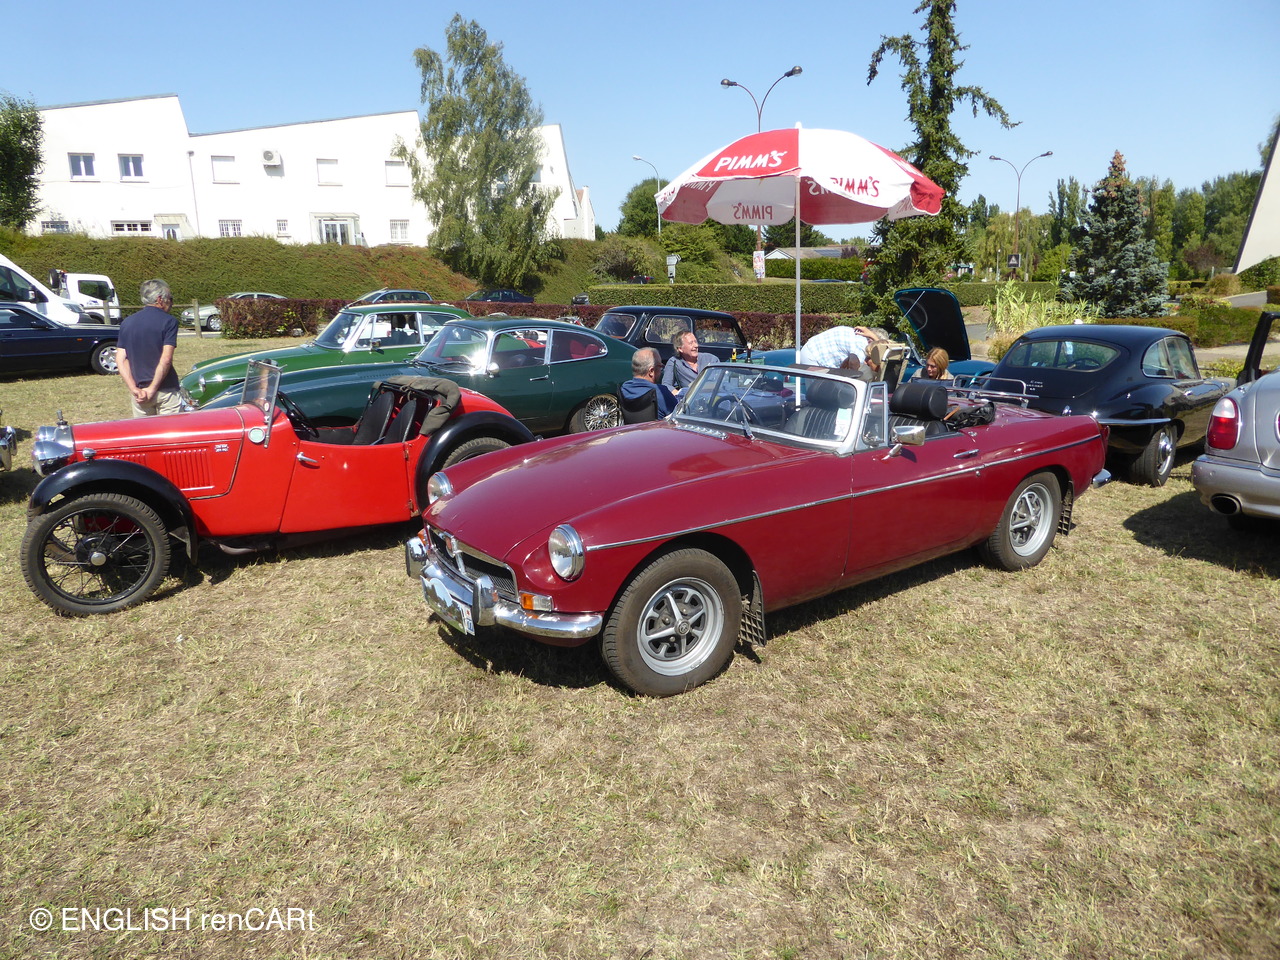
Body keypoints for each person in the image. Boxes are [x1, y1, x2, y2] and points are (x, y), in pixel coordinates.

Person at [117, 278, 182, 417]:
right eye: (170, 299)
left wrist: (133, 388)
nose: (171, 303)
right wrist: (152, 388)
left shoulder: (127, 323)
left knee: (145, 431)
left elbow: (121, 359)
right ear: (160, 299)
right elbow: (166, 359)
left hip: (139, 392)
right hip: (166, 390)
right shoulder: (169, 321)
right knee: (171, 430)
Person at [621, 348, 678, 419]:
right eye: (660, 367)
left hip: (633, 426)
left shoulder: (624, 388)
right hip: (657, 426)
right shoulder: (661, 392)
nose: (661, 370)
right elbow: (679, 416)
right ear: (651, 371)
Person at [796, 324, 884, 369]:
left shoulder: (861, 337)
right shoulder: (861, 344)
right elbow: (856, 368)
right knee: (820, 392)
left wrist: (872, 335)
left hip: (811, 351)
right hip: (814, 356)